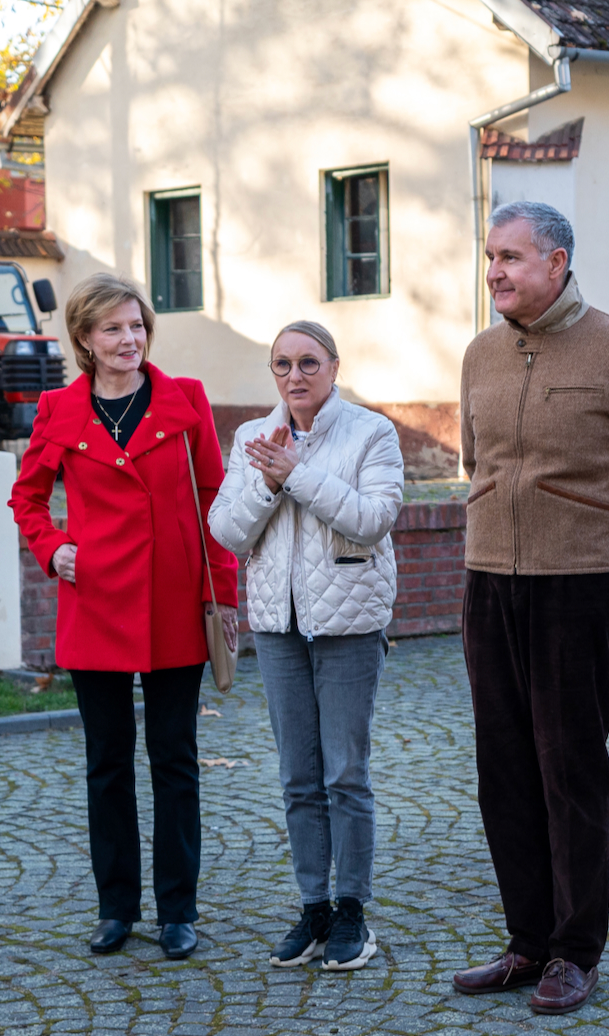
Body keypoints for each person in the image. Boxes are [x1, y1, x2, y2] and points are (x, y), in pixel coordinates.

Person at [453, 202, 609, 1014]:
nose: (495, 272)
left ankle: (575, 952)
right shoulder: (481, 353)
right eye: (490, 257)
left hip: (577, 589)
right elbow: (475, 461)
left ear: (556, 263)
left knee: (570, 771)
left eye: (512, 257)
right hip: (490, 581)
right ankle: (527, 941)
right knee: (503, 771)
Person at [9, 271, 239, 960]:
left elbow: (213, 507)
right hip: (97, 605)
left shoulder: (185, 401)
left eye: (136, 326)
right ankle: (116, 908)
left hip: (173, 604)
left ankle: (178, 911)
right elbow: (27, 499)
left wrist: (221, 596)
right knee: (106, 764)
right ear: (84, 337)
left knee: (175, 760)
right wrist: (55, 551)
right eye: (112, 328)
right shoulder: (59, 409)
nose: (128, 339)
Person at [209, 321, 404, 972]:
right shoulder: (251, 439)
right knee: (298, 778)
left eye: (308, 363)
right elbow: (228, 531)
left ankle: (353, 912)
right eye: (282, 364)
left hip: (349, 625)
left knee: (345, 773)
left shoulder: (371, 432)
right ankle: (313, 909)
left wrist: (294, 475)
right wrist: (267, 481)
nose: (295, 376)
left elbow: (373, 519)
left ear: (333, 366)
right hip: (278, 627)